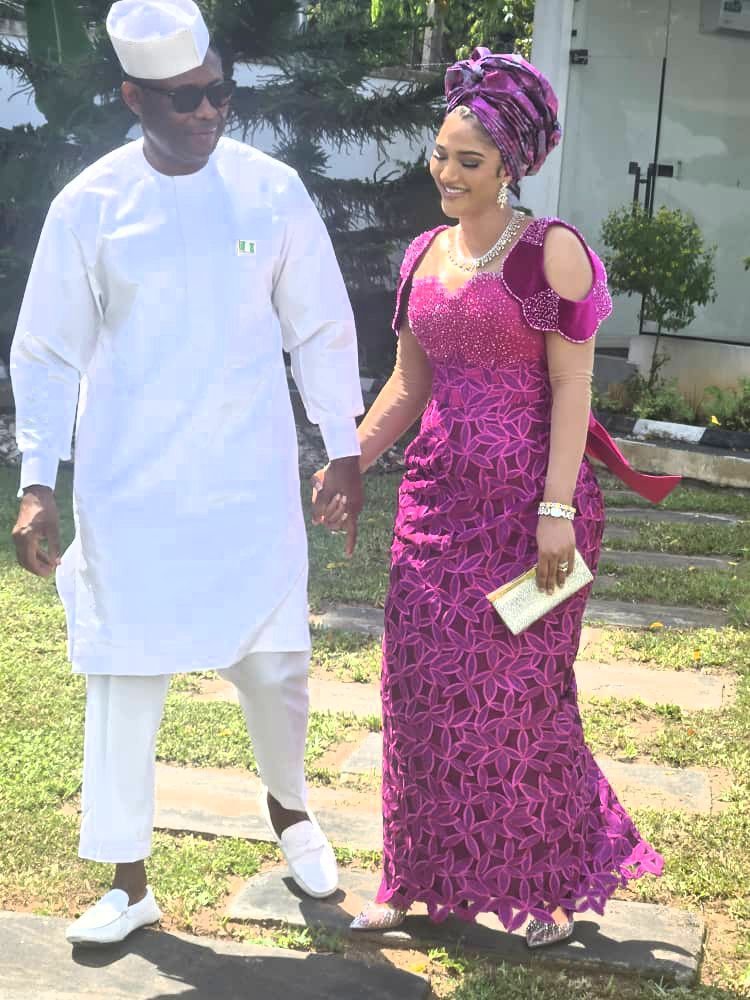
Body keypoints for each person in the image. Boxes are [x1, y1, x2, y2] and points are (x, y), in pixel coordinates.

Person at [11, 0, 363, 947]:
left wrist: (342, 446)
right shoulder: (89, 205)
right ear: (135, 99)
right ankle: (129, 882)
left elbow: (320, 324)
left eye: (219, 93)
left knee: (277, 667)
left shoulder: (272, 191)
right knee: (124, 677)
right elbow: (46, 350)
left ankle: (290, 811)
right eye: (184, 99)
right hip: (132, 487)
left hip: (248, 480)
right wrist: (38, 481)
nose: (208, 112)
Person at [313, 48, 680, 948]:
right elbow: (409, 384)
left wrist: (557, 511)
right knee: (419, 694)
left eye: (468, 160)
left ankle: (545, 887)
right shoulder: (423, 254)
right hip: (435, 510)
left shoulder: (551, 251)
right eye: (440, 154)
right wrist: (349, 459)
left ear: (509, 164)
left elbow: (572, 386)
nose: (446, 173)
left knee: (519, 701)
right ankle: (409, 879)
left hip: (531, 516)